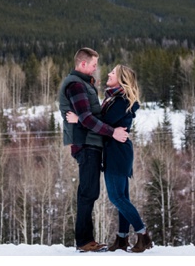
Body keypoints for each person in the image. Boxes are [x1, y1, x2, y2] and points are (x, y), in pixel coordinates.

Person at [67, 64, 153, 253]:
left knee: (116, 197)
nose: (108, 73)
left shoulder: (121, 101)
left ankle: (143, 234)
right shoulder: (115, 99)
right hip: (117, 151)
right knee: (123, 197)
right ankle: (122, 239)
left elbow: (102, 124)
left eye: (113, 72)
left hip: (117, 153)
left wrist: (78, 119)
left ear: (121, 79)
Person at [58, 47, 129, 253]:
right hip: (86, 144)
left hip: (91, 143)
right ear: (82, 64)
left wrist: (80, 119)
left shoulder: (84, 84)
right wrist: (112, 132)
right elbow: (88, 119)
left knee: (90, 192)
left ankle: (86, 240)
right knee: (88, 192)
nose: (96, 69)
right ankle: (84, 241)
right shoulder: (76, 86)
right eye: (93, 65)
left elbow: (85, 116)